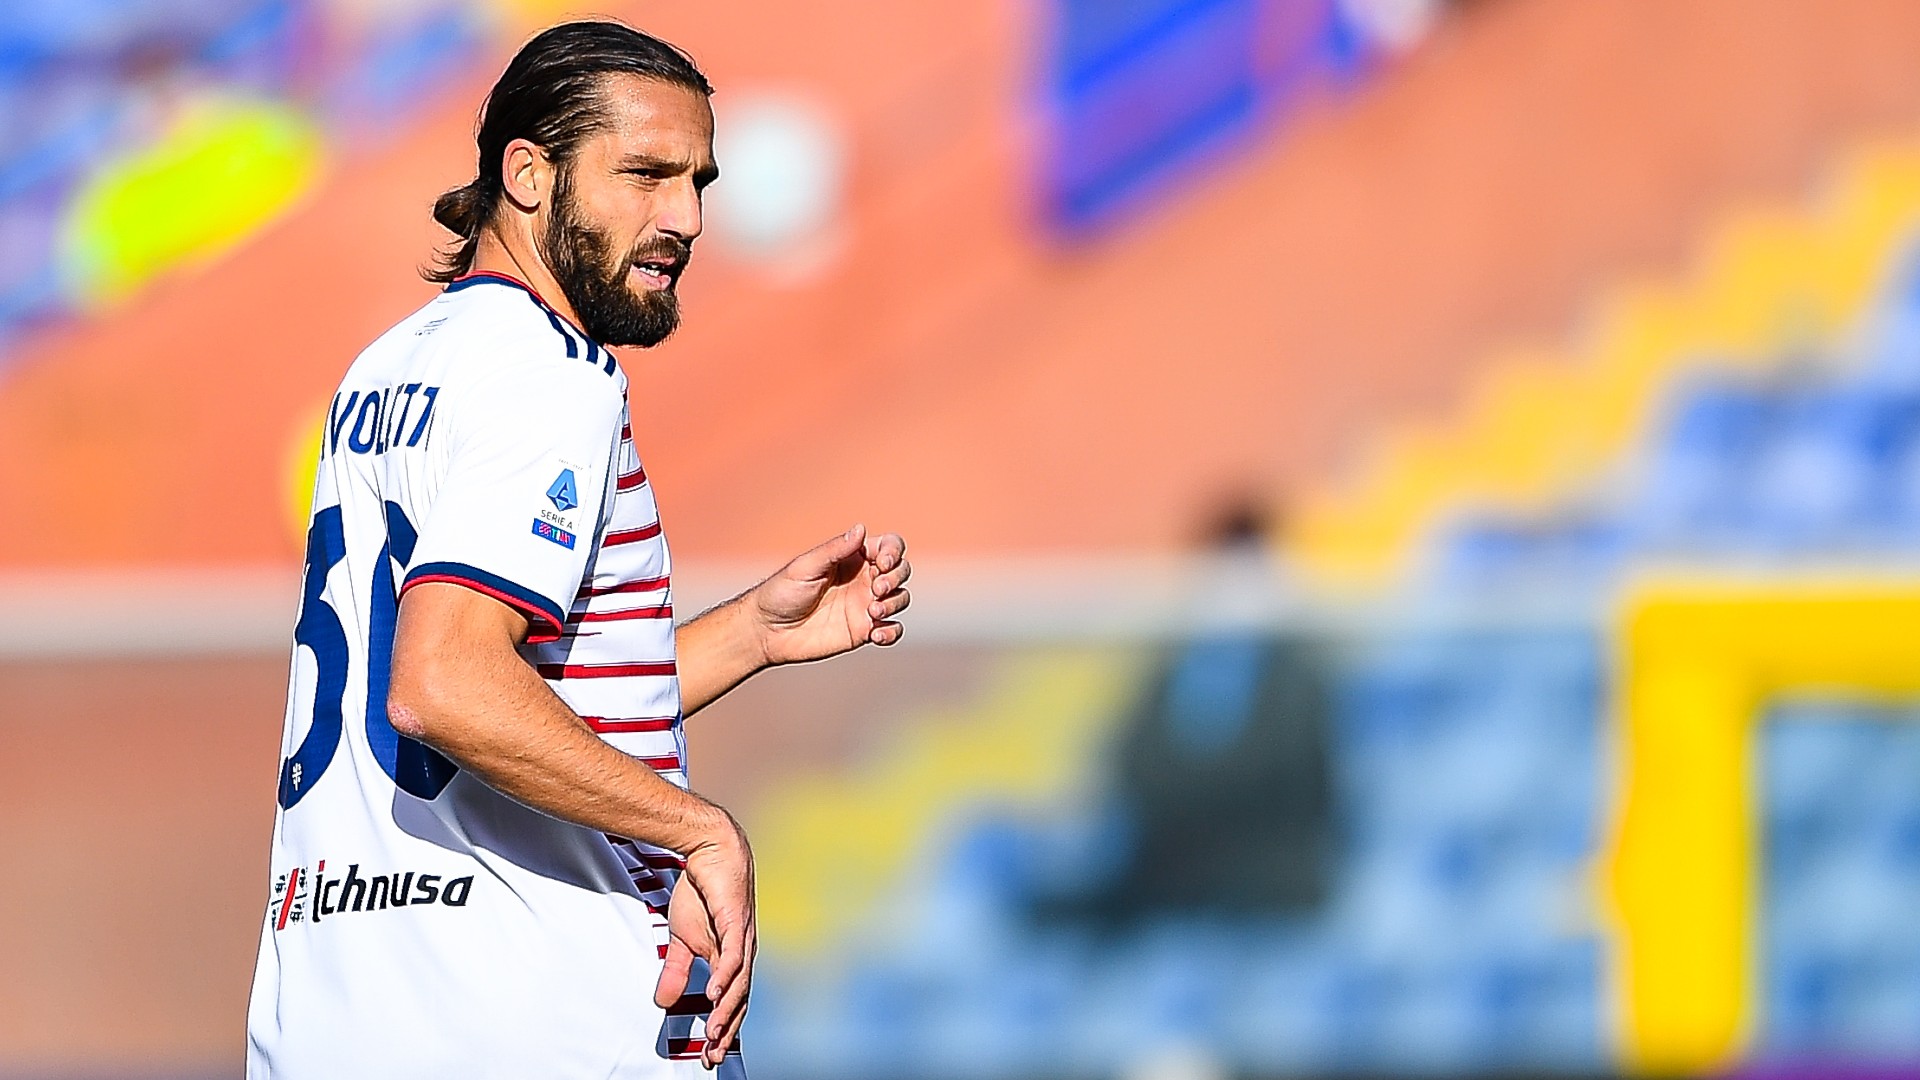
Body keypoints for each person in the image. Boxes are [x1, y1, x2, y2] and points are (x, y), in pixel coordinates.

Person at [245, 21, 910, 1077]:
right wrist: (698, 828)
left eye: (698, 181)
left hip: (344, 1013)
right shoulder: (551, 375)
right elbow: (444, 680)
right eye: (644, 174)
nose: (684, 218)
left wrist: (749, 635)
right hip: (551, 1017)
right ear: (526, 172)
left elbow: (495, 704)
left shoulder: (386, 372)